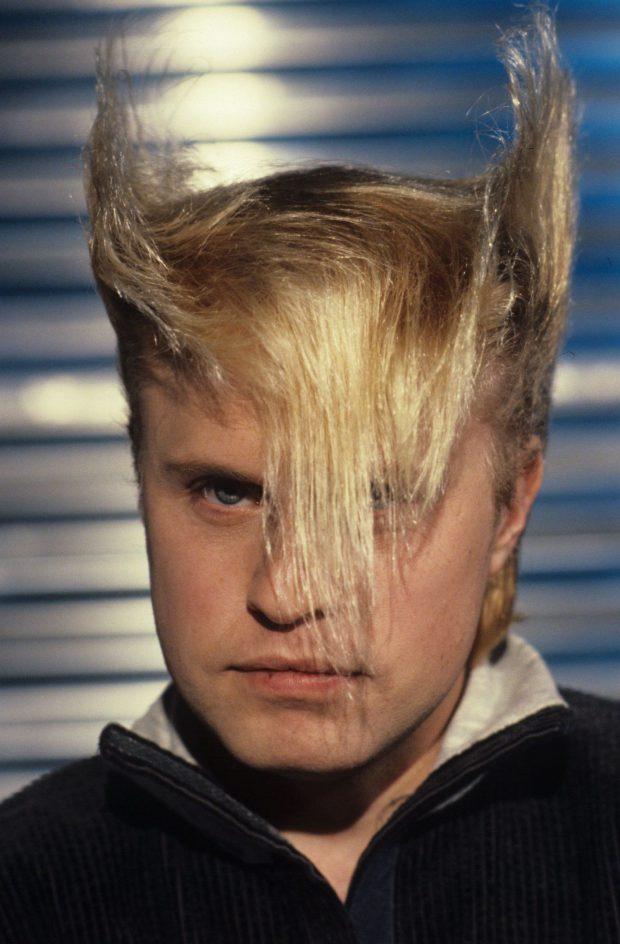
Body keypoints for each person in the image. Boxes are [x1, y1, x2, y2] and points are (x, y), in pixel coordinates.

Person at [0, 9, 618, 943]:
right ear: (139, 483)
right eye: (226, 492)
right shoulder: (24, 888)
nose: (287, 592)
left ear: (511, 505)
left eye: (376, 498)